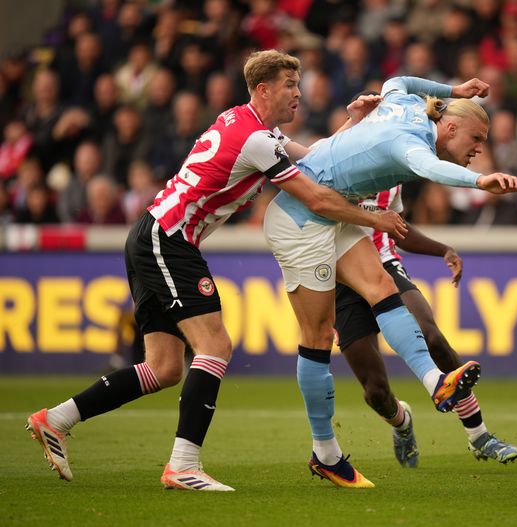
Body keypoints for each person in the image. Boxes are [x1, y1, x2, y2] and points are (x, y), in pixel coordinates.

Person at [25, 49, 406, 492]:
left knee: (166, 368)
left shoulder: (247, 123)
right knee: (216, 346)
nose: (298, 93)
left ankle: (55, 419)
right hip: (167, 239)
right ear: (263, 90)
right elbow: (316, 197)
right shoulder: (258, 140)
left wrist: (354, 122)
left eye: (298, 85)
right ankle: (184, 465)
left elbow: (316, 158)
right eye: (289, 85)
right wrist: (376, 219)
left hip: (155, 235)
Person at [262, 75, 517, 489]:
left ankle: (454, 404)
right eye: (476, 137)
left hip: (345, 226)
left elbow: (396, 81)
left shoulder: (398, 112)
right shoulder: (408, 146)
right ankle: (342, 445)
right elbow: (429, 165)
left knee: (397, 301)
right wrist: (481, 180)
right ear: (450, 127)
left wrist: (455, 91)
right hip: (302, 222)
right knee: (344, 363)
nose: (479, 148)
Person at [334, 184, 517, 467]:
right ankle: (402, 422)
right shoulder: (326, 162)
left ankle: (479, 436)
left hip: (384, 264)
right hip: (341, 278)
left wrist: (443, 249)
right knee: (375, 391)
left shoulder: (390, 174)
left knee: (431, 336)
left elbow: (397, 227)